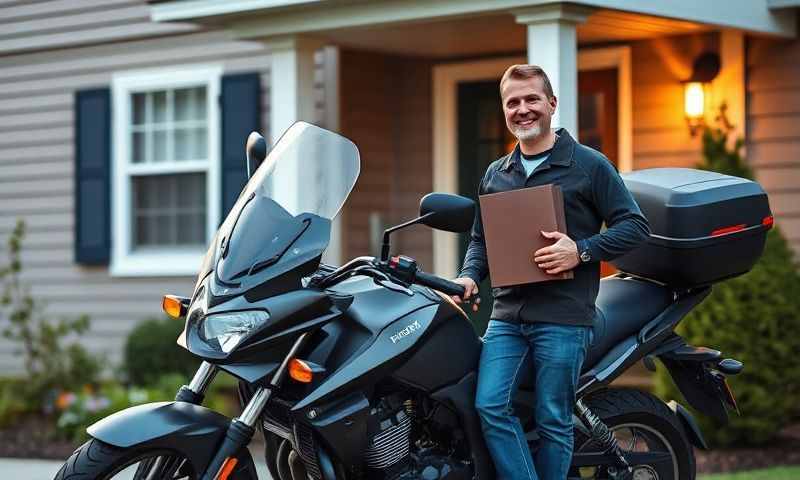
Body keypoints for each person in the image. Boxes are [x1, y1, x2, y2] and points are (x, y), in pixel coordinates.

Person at [452, 64, 650, 479]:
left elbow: (635, 227)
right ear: (504, 110)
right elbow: (480, 240)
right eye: (513, 102)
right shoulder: (496, 173)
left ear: (552, 104)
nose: (522, 109)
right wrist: (470, 275)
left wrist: (579, 251)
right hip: (507, 317)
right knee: (490, 405)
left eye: (531, 99)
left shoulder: (589, 165)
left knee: (553, 418)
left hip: (564, 317)